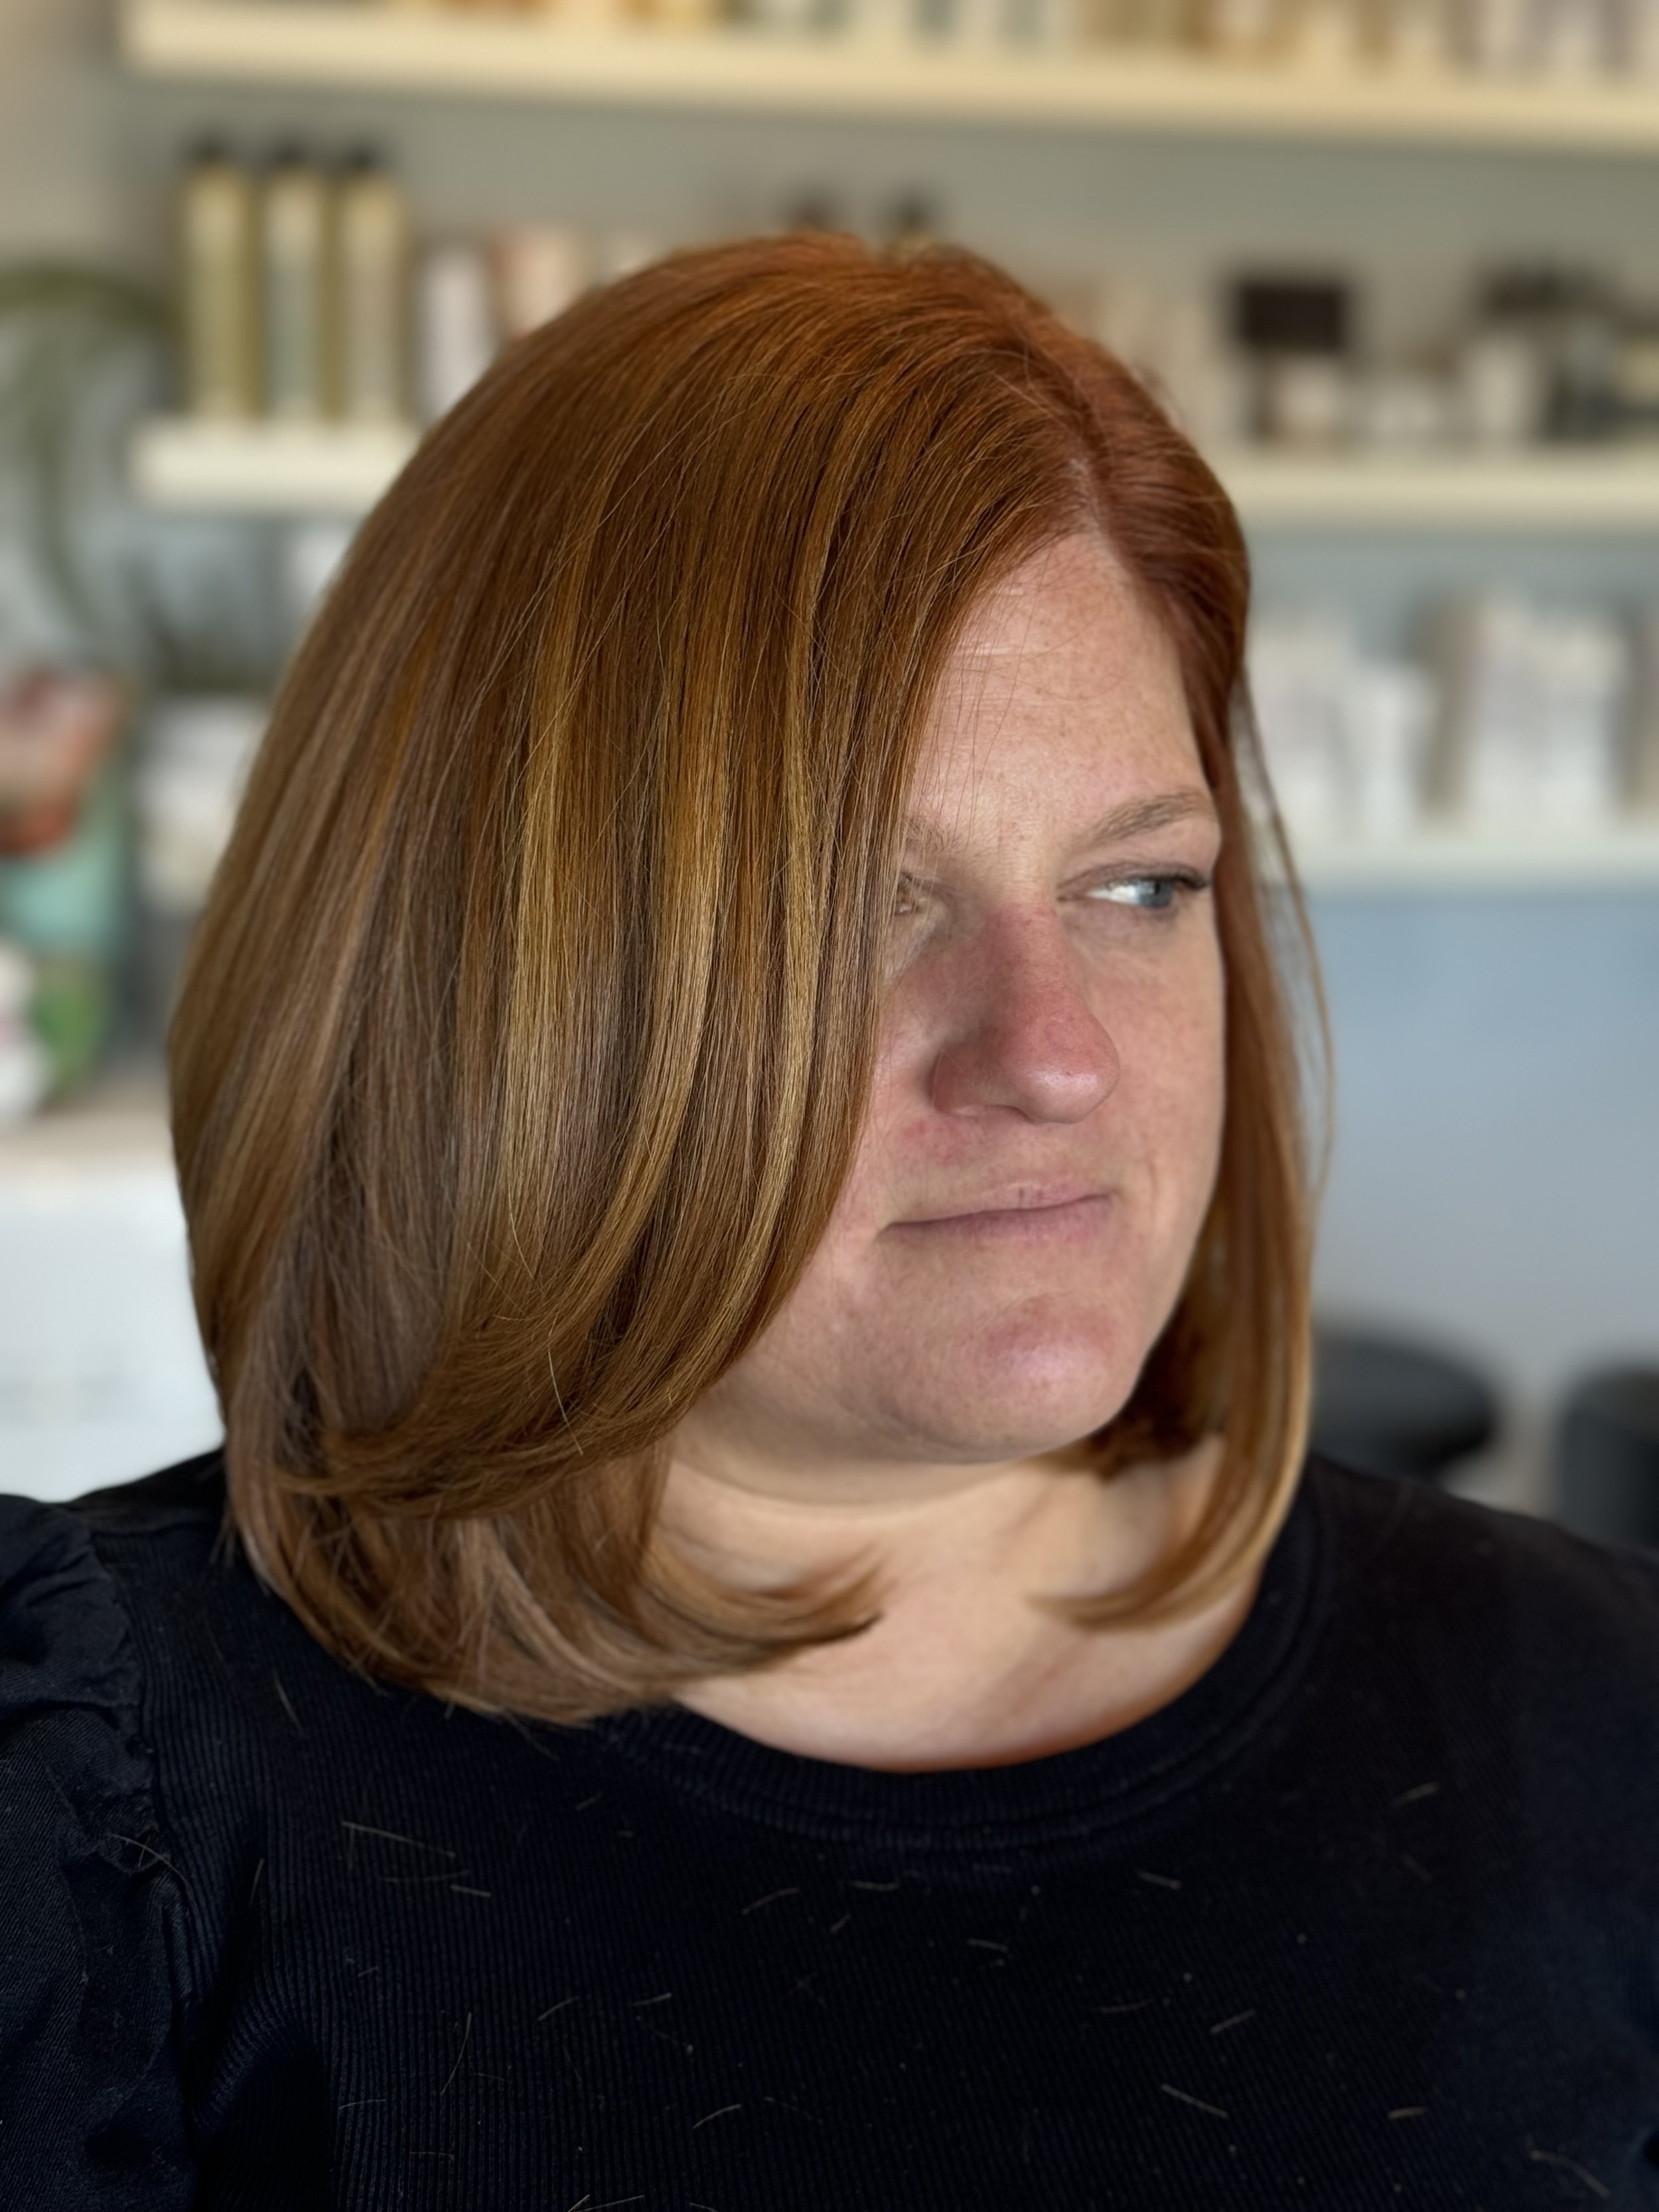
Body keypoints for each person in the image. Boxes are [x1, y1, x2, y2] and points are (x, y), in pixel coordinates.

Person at [1, 234, 1655, 2210]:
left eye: (1136, 888)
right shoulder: (100, 1808)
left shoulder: (1591, 1710)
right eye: (856, 904)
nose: (1050, 1059)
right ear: (483, 982)